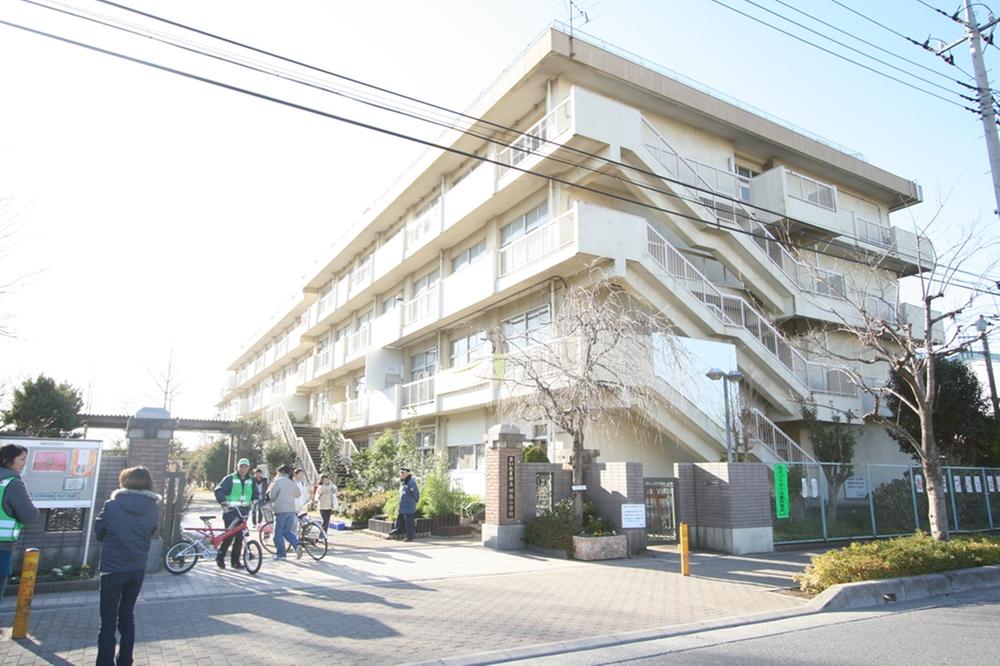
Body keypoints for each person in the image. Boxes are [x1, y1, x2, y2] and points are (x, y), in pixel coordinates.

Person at [94, 466, 160, 666]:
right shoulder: (153, 507)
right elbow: (151, 532)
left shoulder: (112, 505)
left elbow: (99, 532)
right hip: (137, 568)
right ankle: (125, 660)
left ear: (124, 481)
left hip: (112, 568)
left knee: (107, 621)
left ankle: (104, 662)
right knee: (127, 617)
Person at [0, 444, 39, 605]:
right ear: (8, 460)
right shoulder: (12, 483)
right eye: (22, 459)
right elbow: (30, 515)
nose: (24, 463)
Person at [212, 458, 258, 569]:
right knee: (229, 536)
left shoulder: (251, 480)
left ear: (248, 468)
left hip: (243, 512)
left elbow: (255, 492)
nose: (243, 469)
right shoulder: (230, 479)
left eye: (246, 466)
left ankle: (235, 562)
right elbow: (219, 490)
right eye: (241, 466)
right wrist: (223, 502)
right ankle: (220, 557)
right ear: (237, 467)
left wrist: (255, 499)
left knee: (240, 537)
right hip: (231, 512)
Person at [267, 464, 302, 560]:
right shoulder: (292, 482)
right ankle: (297, 544)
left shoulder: (278, 481)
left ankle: (281, 554)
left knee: (277, 534)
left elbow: (272, 496)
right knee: (287, 531)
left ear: (281, 472)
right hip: (291, 510)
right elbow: (298, 494)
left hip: (280, 510)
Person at [388, 466, 420, 542]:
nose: (401, 474)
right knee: (399, 520)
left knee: (409, 523)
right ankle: (396, 533)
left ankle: (409, 537)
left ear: (407, 473)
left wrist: (414, 501)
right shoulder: (403, 482)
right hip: (402, 506)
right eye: (401, 472)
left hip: (409, 506)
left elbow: (416, 494)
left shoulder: (411, 482)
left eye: (403, 472)